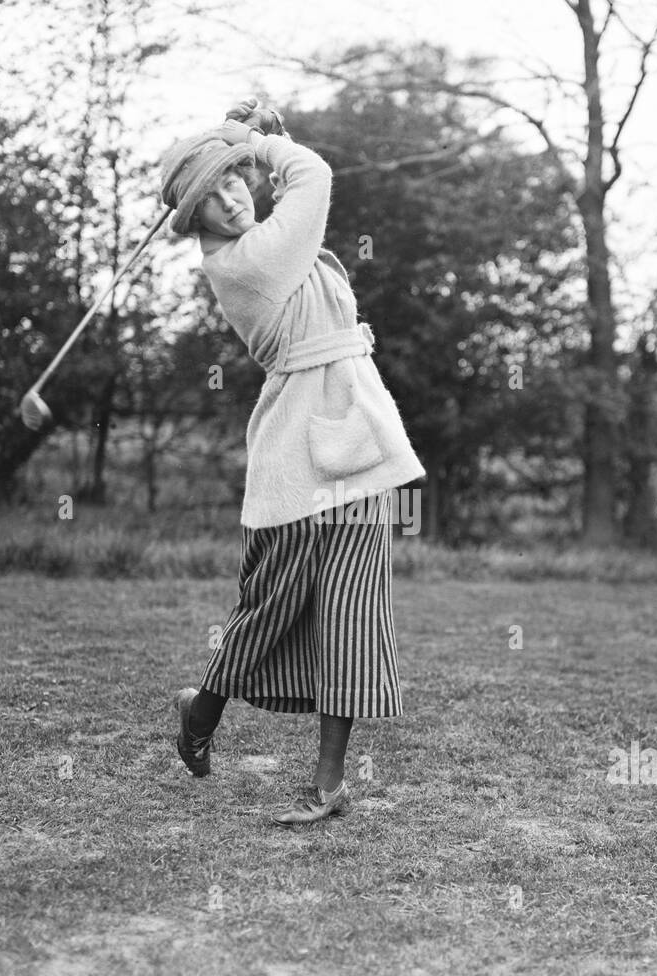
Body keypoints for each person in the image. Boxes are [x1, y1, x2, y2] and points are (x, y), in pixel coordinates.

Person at [157, 98, 425, 825]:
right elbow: (314, 175)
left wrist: (253, 141)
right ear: (196, 223)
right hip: (294, 458)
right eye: (209, 197)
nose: (230, 197)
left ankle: (327, 786)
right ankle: (200, 711)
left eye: (233, 178)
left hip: (359, 445)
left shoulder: (272, 237)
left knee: (351, 616)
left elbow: (293, 186)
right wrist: (259, 139)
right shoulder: (246, 263)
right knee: (269, 609)